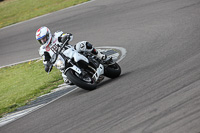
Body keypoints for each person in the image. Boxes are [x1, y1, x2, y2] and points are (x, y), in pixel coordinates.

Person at [36, 26, 107, 84]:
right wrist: (47, 65)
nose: (43, 41)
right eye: (41, 40)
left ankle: (100, 56)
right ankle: (83, 76)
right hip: (62, 63)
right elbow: (45, 59)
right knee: (68, 81)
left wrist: (66, 37)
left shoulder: (56, 36)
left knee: (83, 45)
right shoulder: (43, 49)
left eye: (44, 38)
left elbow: (67, 35)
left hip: (71, 51)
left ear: (48, 35)